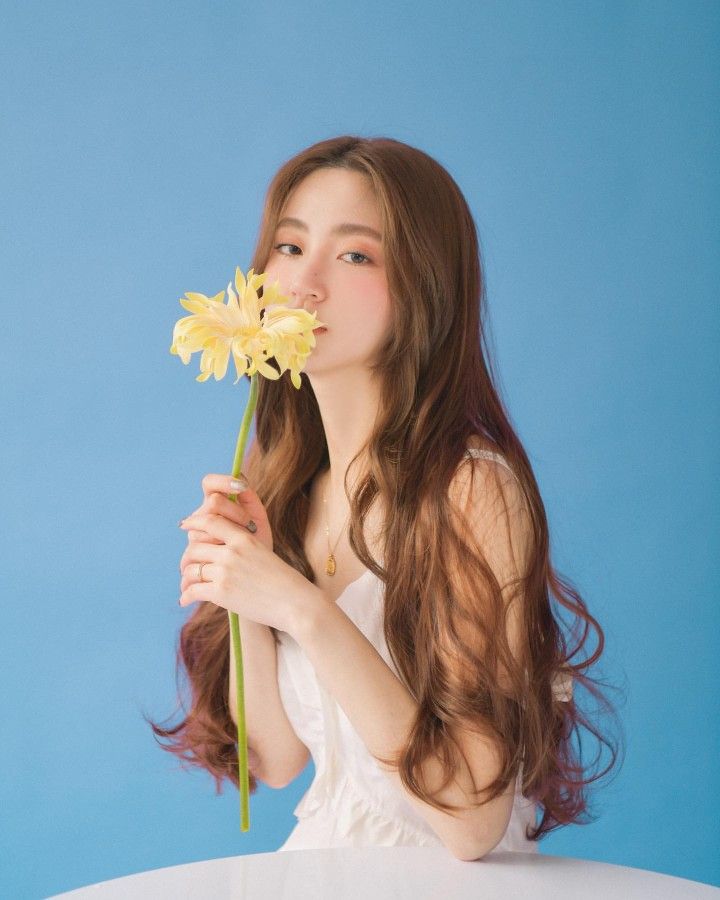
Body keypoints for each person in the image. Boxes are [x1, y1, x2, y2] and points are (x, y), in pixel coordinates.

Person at [149, 135, 622, 861]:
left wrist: (300, 608)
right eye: (288, 246)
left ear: (424, 288)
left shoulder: (470, 489)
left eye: (356, 255)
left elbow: (470, 822)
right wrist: (244, 593)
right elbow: (275, 763)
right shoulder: (288, 486)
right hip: (319, 864)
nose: (303, 285)